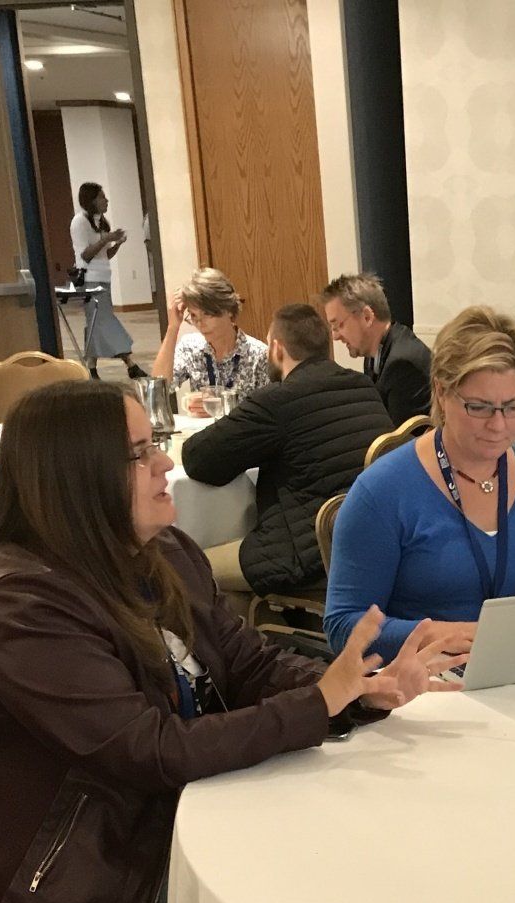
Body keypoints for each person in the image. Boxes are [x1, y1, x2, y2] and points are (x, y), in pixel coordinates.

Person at [0, 381, 463, 903]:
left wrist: (359, 687)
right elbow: (150, 751)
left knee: (367, 846)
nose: (164, 463)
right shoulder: (21, 606)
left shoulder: (164, 555)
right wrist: (320, 702)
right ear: (75, 477)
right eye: (138, 453)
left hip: (138, 819)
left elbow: (250, 667)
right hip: (35, 870)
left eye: (153, 443)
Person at [324, 305, 515, 662]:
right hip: (424, 686)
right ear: (442, 393)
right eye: (478, 407)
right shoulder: (382, 493)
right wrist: (439, 633)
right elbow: (343, 627)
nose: (498, 425)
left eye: (513, 407)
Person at [181, 303, 392, 598]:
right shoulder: (363, 386)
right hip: (375, 540)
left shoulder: (277, 401)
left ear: (277, 348)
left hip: (310, 552)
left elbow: (197, 459)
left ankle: (251, 640)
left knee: (191, 567)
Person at [321, 272, 434, 425]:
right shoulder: (375, 352)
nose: (334, 336)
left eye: (337, 325)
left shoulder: (403, 364)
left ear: (367, 316)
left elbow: (401, 441)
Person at [152, 267, 271, 412]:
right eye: (194, 316)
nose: (200, 324)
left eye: (207, 314)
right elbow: (159, 390)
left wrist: (218, 406)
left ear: (228, 310)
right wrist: (172, 327)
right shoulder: (190, 347)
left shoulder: (259, 355)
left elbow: (268, 414)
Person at [67, 181, 141, 378]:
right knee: (104, 320)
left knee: (95, 323)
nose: (106, 200)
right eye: (101, 197)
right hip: (89, 280)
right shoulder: (79, 222)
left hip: (103, 277)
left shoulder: (99, 221)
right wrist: (106, 239)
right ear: (91, 199)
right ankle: (130, 363)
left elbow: (104, 255)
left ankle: (91, 367)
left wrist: (117, 244)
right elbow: (85, 256)